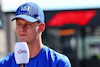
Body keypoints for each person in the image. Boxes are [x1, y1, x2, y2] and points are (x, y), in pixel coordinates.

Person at [0, 2, 71, 67]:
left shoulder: (58, 62)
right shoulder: (4, 64)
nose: (22, 29)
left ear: (41, 27)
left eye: (28, 24)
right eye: (19, 24)